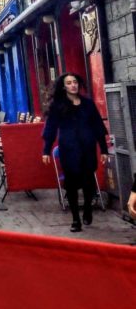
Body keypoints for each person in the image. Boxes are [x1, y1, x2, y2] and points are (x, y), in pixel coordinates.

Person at [41, 72, 109, 232]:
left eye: (75, 82)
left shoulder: (88, 104)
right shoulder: (58, 106)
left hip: (88, 148)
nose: (73, 85)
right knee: (71, 184)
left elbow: (98, 126)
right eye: (69, 82)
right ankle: (75, 220)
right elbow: (50, 129)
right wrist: (46, 150)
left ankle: (87, 208)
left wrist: (104, 149)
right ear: (64, 87)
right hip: (69, 149)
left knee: (88, 181)